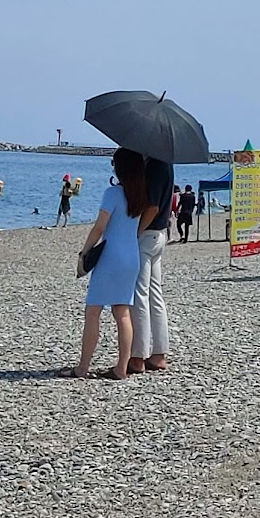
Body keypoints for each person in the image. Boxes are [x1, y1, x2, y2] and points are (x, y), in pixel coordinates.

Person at [62, 148, 146, 380]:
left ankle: (83, 367)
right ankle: (121, 367)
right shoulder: (140, 193)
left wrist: (85, 252)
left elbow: (99, 227)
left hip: (111, 256)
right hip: (131, 255)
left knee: (93, 311)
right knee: (122, 312)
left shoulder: (113, 193)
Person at [132, 158, 174, 374]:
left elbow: (153, 207)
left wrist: (135, 232)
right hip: (159, 234)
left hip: (148, 235)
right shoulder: (166, 163)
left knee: (141, 295)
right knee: (155, 295)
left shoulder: (157, 164)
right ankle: (158, 352)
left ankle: (138, 355)